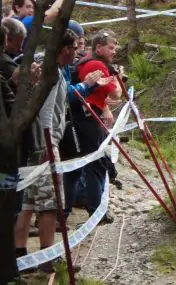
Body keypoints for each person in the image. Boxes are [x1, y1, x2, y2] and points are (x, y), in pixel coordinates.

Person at [14, 29, 82, 274]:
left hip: (33, 141)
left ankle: (21, 256)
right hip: (43, 143)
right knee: (49, 203)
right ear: (65, 49)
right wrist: (48, 145)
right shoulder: (50, 71)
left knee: (28, 201)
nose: (77, 53)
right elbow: (44, 110)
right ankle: (46, 258)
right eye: (75, 48)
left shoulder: (46, 67)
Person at [66, 30, 123, 225]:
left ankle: (90, 208)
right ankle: (96, 211)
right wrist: (118, 77)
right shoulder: (97, 65)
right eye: (111, 48)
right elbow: (116, 94)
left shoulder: (90, 62)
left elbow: (99, 94)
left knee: (88, 165)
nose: (113, 52)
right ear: (98, 48)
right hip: (89, 118)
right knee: (95, 164)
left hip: (86, 115)